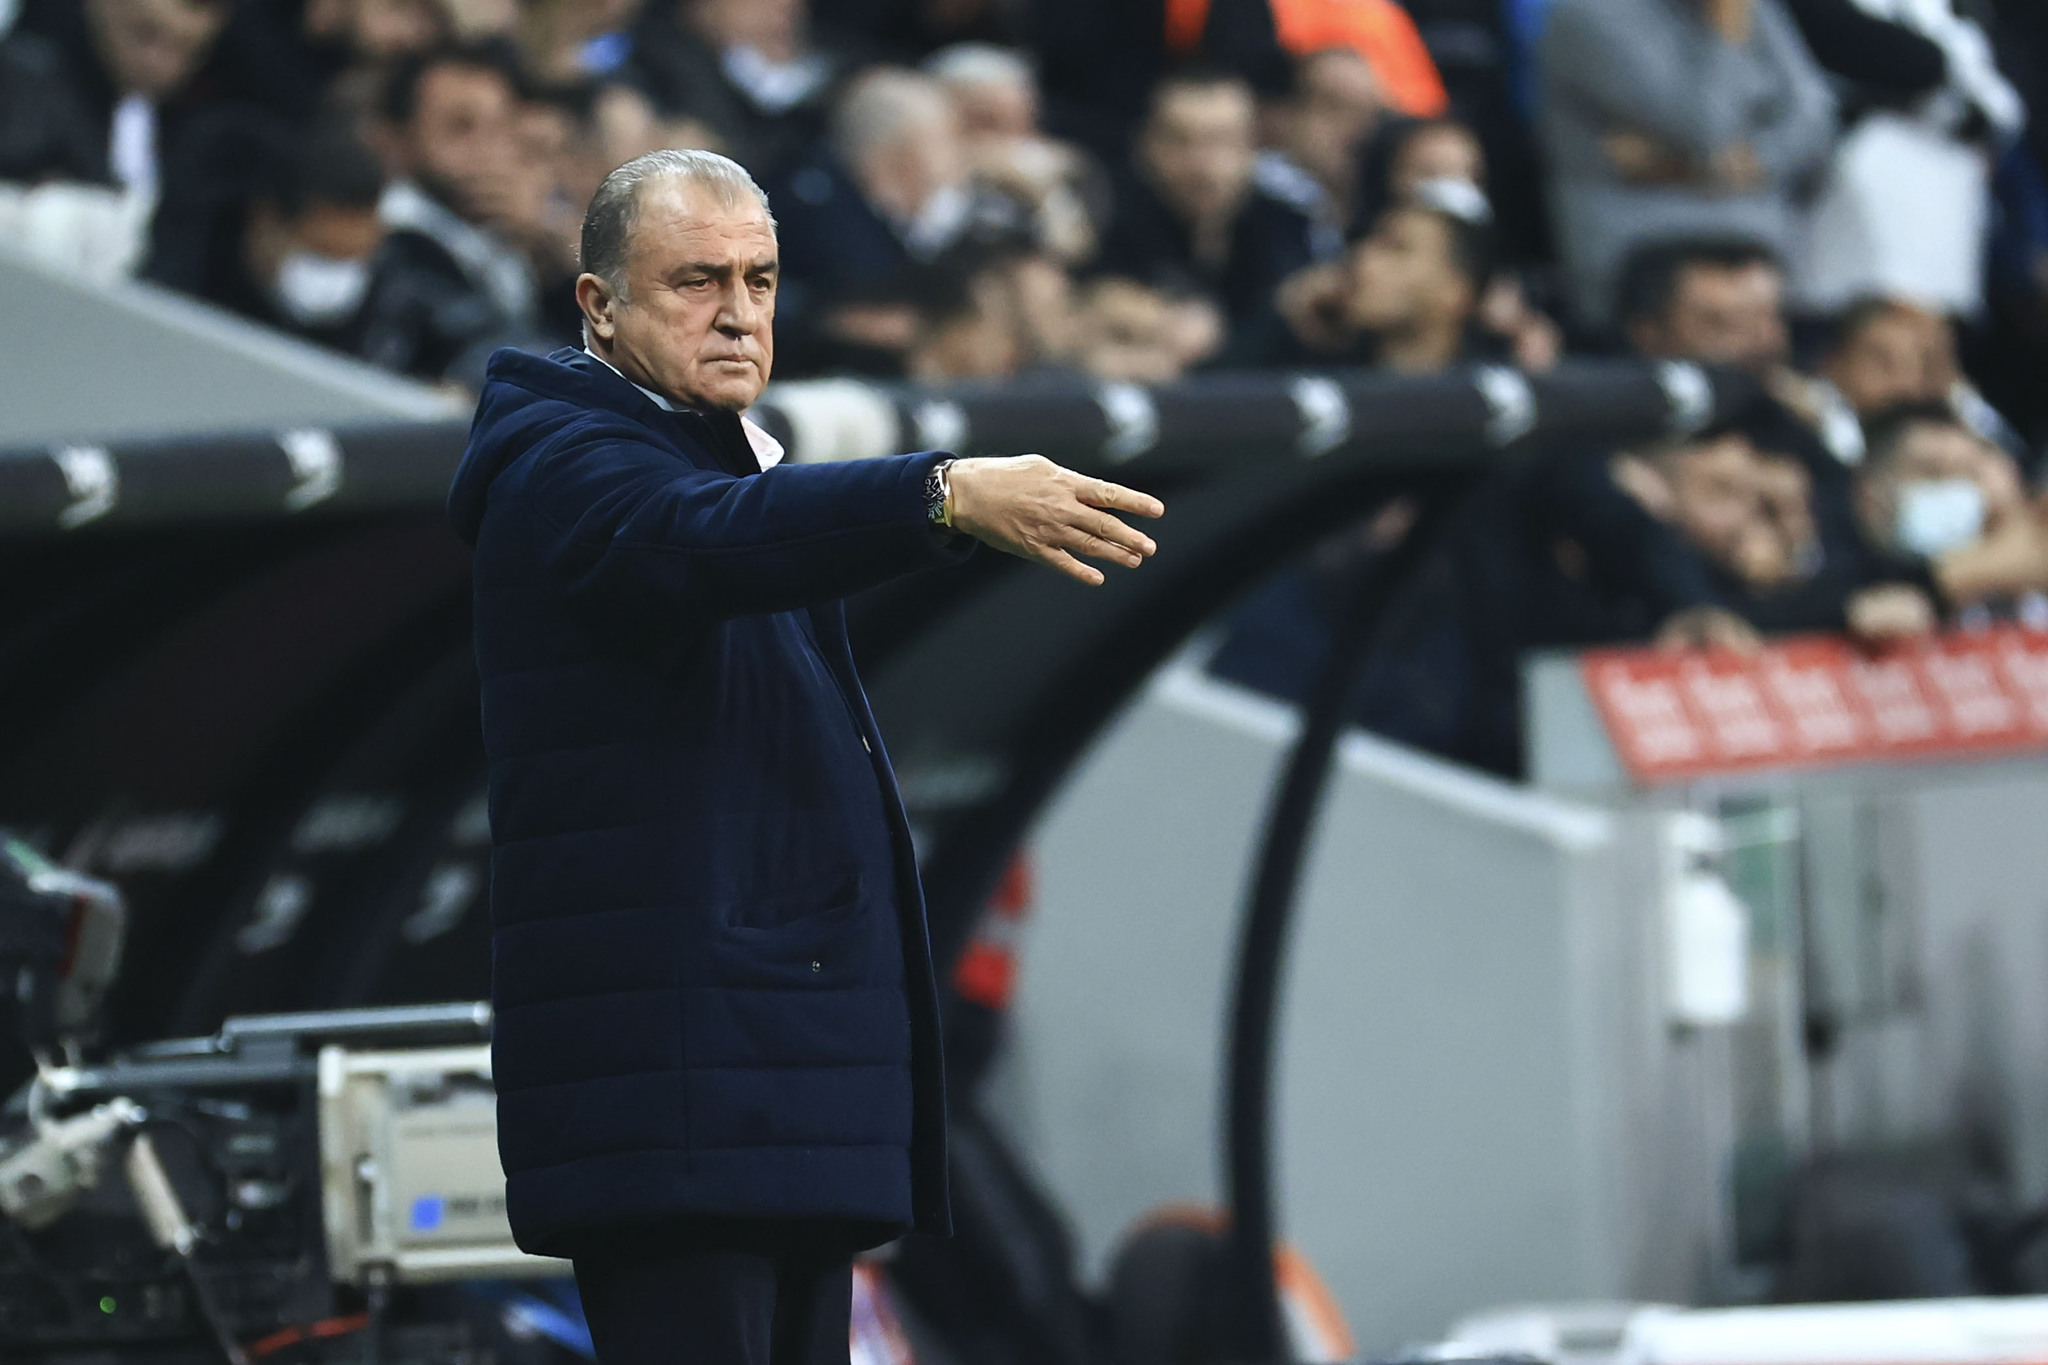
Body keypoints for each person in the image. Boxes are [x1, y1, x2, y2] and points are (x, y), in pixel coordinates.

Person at [446, 147, 1165, 1365]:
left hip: (768, 1087)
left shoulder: (718, 460)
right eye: (695, 280)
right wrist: (936, 494)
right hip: (677, 1096)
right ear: (598, 306)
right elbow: (696, 540)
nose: (738, 312)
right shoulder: (560, 460)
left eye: (761, 279)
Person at [1535, 0, 1836, 327]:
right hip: (1650, 245)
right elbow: (1706, 129)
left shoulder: (1749, 6)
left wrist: (1726, 165)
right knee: (1726, 307)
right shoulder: (1587, 14)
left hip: (1759, 240)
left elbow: (1817, 121)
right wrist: (1726, 32)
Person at [358, 45, 550, 382]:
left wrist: (553, 256)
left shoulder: (512, 237)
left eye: (500, 129)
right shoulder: (392, 241)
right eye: (461, 128)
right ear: (396, 140)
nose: (487, 149)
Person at [1093, 68, 1318, 355]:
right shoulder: (1108, 223)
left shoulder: (1288, 225)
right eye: (1179, 140)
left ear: (1253, 146)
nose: (1200, 163)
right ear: (1147, 145)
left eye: (1219, 141)